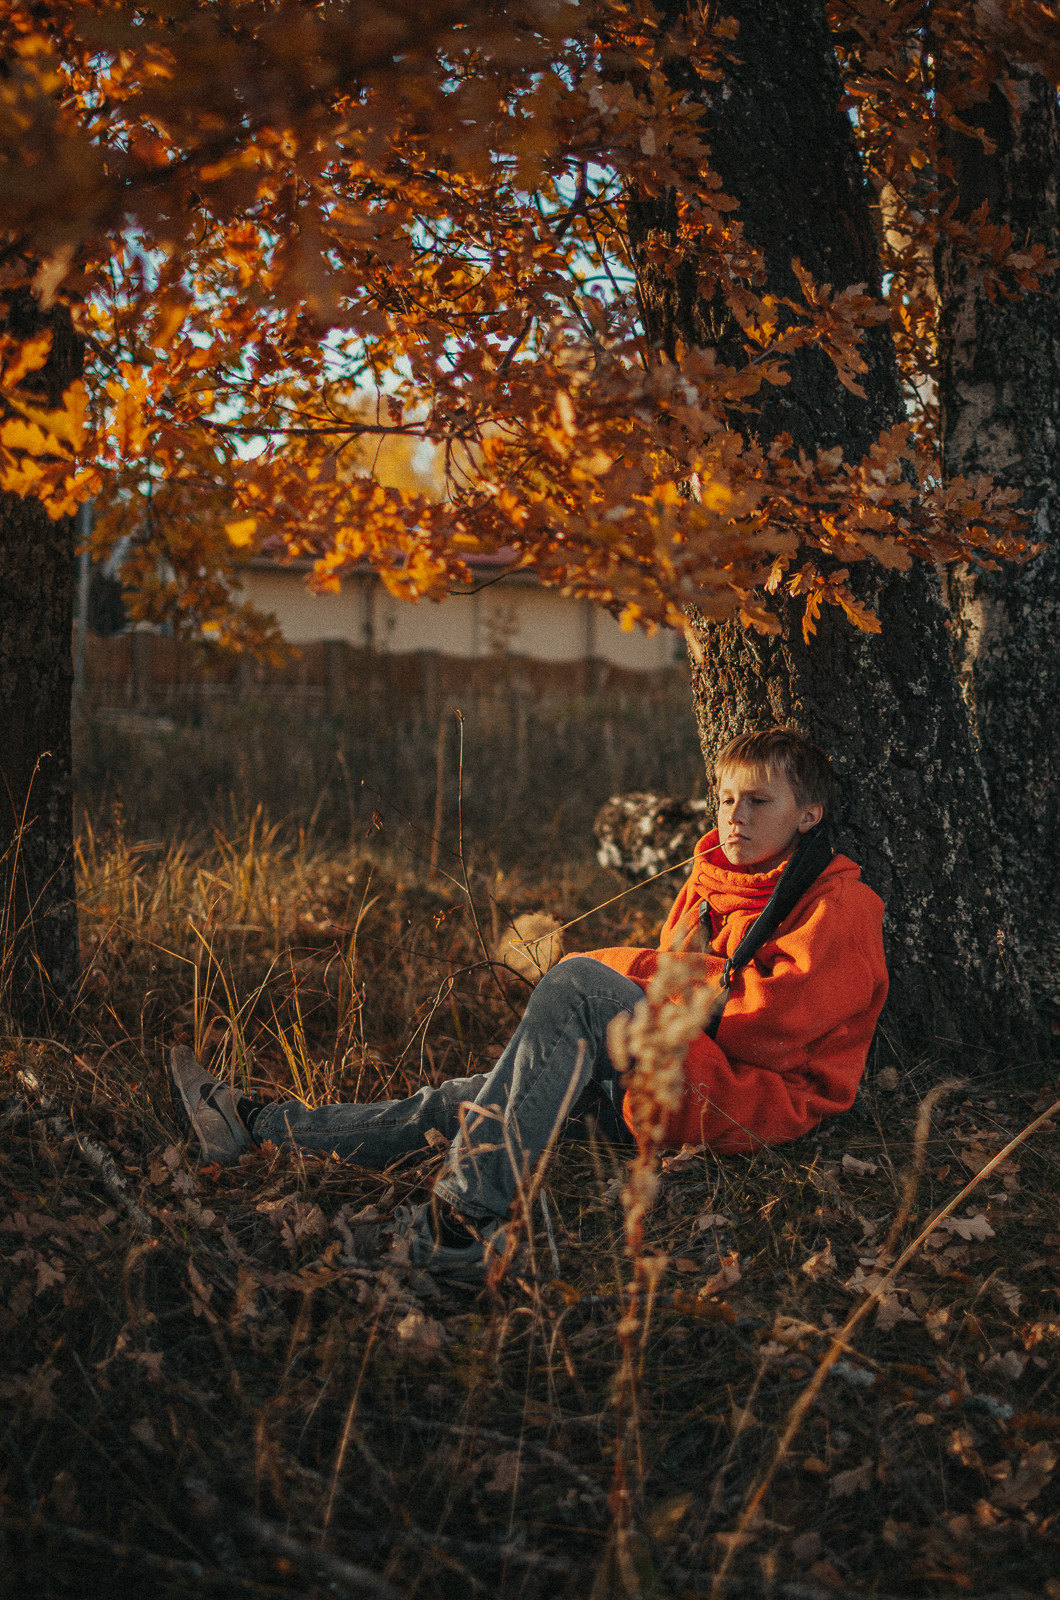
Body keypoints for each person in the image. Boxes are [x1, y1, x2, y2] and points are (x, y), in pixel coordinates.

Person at [170, 727, 887, 1279]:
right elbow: (678, 990)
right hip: (666, 1075)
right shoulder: (714, 882)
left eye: (759, 801)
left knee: (579, 982)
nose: (735, 817)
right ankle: (255, 1126)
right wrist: (659, 983)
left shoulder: (841, 904)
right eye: (726, 799)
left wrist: (637, 972)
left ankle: (463, 1222)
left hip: (747, 1096)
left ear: (809, 814)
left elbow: (763, 1028)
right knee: (463, 1103)